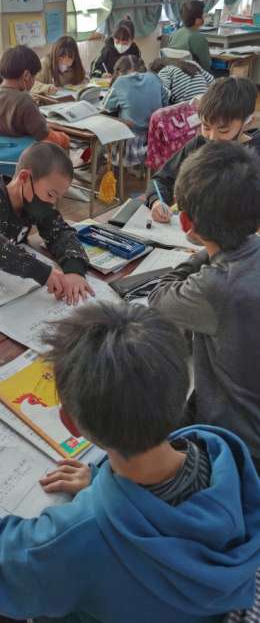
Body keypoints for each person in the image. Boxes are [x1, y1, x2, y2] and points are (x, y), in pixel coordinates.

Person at [0, 301, 260, 623]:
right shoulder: (226, 456)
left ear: (70, 423)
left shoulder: (79, 538)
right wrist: (102, 481)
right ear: (181, 387)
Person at [149, 141, 260, 473]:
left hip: (234, 445)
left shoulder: (216, 286)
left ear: (186, 224)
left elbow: (159, 298)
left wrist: (209, 254)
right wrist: (219, 248)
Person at [0, 142, 91, 305]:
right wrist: (42, 272)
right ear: (24, 178)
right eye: (50, 194)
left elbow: (61, 232)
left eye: (57, 197)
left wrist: (75, 270)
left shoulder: (33, 202)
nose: (52, 203)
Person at [146, 76, 260, 223]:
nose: (212, 137)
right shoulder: (198, 145)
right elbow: (161, 180)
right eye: (206, 127)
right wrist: (156, 201)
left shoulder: (255, 153)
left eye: (223, 131)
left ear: (247, 122)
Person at [0, 45, 69, 148]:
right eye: (34, 77)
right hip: (19, 154)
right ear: (26, 75)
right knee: (64, 143)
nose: (34, 81)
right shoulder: (23, 100)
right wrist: (64, 139)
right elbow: (45, 136)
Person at [103, 55, 168, 165]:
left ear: (119, 71)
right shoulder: (154, 77)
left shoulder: (120, 82)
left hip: (129, 146)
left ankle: (99, 165)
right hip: (155, 140)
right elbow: (165, 101)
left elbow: (106, 106)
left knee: (102, 124)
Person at [149, 57, 214, 104]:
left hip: (188, 107)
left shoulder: (165, 71)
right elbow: (212, 81)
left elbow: (163, 93)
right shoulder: (191, 63)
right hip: (207, 102)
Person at [170, 1, 211, 72]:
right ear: (197, 20)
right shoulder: (198, 37)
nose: (204, 16)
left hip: (176, 74)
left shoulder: (174, 34)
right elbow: (206, 65)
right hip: (195, 75)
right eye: (203, 14)